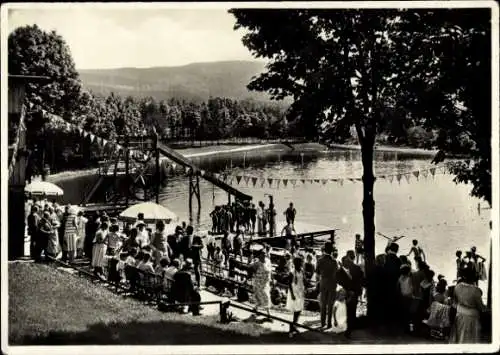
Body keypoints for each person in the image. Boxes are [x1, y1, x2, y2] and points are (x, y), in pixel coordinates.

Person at [449, 268, 485, 344]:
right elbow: (480, 307)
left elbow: (455, 303)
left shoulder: (457, 287)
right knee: (470, 340)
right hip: (472, 318)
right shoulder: (476, 290)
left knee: (459, 338)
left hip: (459, 316)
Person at [336, 255, 364, 337]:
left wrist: (357, 291)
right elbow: (339, 284)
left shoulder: (355, 269)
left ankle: (349, 329)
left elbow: (360, 280)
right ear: (343, 263)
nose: (350, 263)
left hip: (354, 294)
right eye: (348, 262)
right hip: (345, 295)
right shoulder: (338, 273)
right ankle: (345, 328)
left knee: (352, 311)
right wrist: (348, 291)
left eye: (350, 261)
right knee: (344, 312)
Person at [316, 241, 338, 329]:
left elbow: (317, 272)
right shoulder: (334, 261)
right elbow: (336, 274)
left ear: (324, 250)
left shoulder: (320, 260)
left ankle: (322, 323)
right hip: (332, 283)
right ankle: (329, 323)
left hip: (323, 283)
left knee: (323, 304)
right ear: (331, 251)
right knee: (330, 304)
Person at [249, 250, 273, 321]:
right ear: (259, 255)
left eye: (265, 253)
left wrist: (272, 279)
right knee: (266, 297)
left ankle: (255, 309)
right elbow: (250, 268)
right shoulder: (257, 263)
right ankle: (269, 315)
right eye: (263, 254)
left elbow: (270, 271)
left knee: (263, 297)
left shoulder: (268, 261)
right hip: (259, 283)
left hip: (266, 283)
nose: (264, 255)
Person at [286, 257, 305, 338]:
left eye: (301, 263)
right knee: (295, 310)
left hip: (300, 291)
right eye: (300, 263)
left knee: (299, 309)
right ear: (296, 264)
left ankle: (294, 325)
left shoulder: (302, 270)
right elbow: (289, 284)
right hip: (294, 292)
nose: (301, 264)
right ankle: (291, 328)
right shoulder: (292, 272)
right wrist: (292, 294)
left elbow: (303, 280)